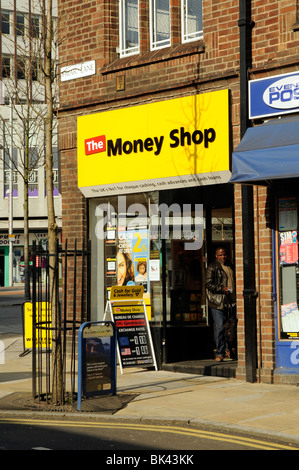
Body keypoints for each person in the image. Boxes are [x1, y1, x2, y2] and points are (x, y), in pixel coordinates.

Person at [205, 247, 237, 362]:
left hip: (231, 301)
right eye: (220, 255)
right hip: (217, 302)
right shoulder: (212, 267)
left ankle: (229, 349)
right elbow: (208, 284)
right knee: (220, 327)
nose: (223, 257)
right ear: (216, 256)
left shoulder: (231, 266)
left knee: (231, 327)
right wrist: (221, 288)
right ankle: (220, 353)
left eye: (224, 255)